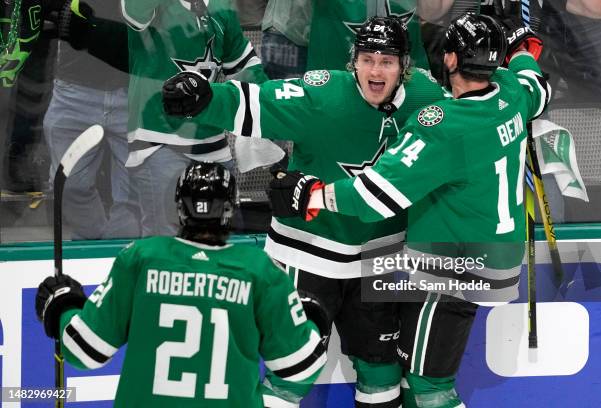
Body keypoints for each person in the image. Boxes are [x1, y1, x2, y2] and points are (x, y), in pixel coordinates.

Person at [267, 13, 551, 408]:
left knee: (430, 389)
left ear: (449, 60)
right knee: (408, 378)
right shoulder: (511, 96)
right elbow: (535, 84)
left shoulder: (443, 125)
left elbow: (374, 197)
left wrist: (312, 194)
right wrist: (522, 51)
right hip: (497, 257)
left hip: (450, 264)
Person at [162, 16, 447, 407]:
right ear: (354, 63)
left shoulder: (427, 100)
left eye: (386, 61)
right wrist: (205, 97)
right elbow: (257, 101)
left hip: (379, 259)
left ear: (404, 68)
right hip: (307, 254)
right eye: (367, 59)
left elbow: (474, 121)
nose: (375, 70)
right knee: (291, 374)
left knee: (381, 373)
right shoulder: (324, 94)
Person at [35, 161, 327, 407]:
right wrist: (310, 324)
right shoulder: (260, 271)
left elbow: (85, 351)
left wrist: (62, 307)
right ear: (230, 208)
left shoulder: (141, 258)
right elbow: (299, 366)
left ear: (179, 206)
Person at [121, 0, 268, 236]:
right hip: (159, 141)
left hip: (212, 143)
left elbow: (245, 65)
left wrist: (267, 105)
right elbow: (134, 12)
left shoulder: (222, 7)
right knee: (165, 241)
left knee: (221, 238)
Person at [43, 0, 140, 239]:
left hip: (135, 89)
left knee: (135, 191)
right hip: (75, 89)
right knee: (67, 184)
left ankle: (119, 254)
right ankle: (94, 245)